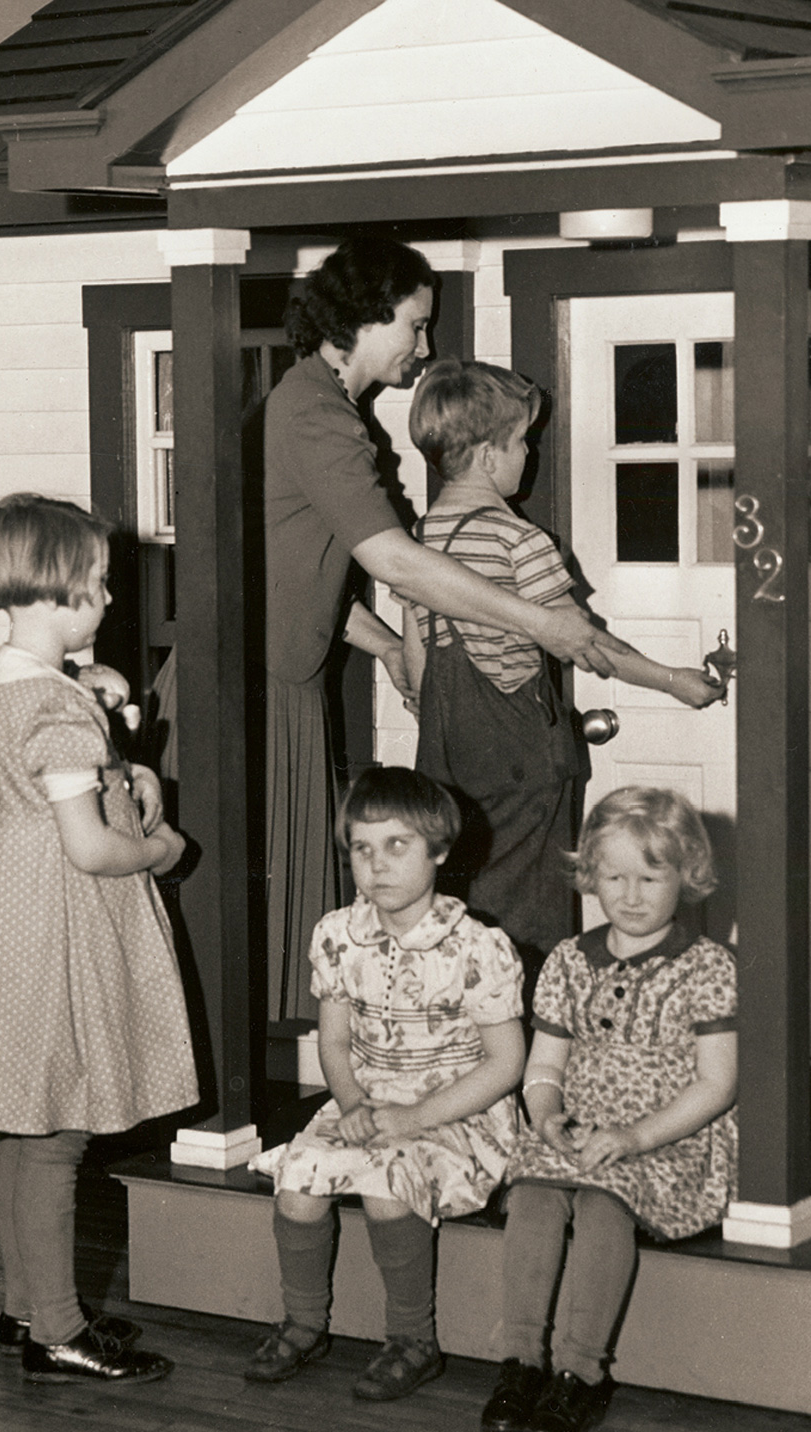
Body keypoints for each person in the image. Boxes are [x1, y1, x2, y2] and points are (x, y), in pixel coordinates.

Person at [259, 238, 626, 1022]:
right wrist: (541, 624)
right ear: (363, 317)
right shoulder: (313, 414)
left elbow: (294, 574)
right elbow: (392, 560)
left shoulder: (327, 409)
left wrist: (388, 646)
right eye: (415, 327)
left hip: (290, 677)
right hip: (259, 686)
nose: (424, 349)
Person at [0, 493, 199, 1384]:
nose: (105, 600)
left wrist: (113, 737)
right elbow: (93, 847)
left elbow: (52, 738)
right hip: (64, 916)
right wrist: (162, 849)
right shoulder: (57, 715)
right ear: (56, 593)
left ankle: (26, 1309)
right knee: (59, 1132)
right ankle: (58, 1329)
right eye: (96, 587)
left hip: (18, 909)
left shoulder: (10, 676)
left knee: (27, 1123)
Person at [403, 361, 724, 976]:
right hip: (518, 753)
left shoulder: (420, 539)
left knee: (458, 913)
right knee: (528, 920)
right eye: (523, 441)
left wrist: (434, 719)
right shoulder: (519, 540)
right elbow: (585, 643)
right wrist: (672, 680)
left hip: (446, 753)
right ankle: (530, 1059)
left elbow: (418, 654)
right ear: (490, 454)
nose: (529, 454)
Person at [245, 767, 528, 1401]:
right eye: (361, 849)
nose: (377, 866)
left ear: (440, 850)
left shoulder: (477, 947)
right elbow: (336, 1042)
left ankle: (412, 1338)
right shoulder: (338, 937)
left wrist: (411, 1119)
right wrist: (349, 1105)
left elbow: (505, 1065)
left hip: (457, 1111)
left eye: (397, 846)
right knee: (298, 1180)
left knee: (386, 1185)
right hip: (365, 1103)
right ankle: (303, 1322)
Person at [482, 787, 738, 1432]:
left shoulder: (707, 967)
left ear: (686, 878)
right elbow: (544, 1067)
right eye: (613, 876)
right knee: (534, 1192)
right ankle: (519, 1363)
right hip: (580, 1128)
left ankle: (580, 1372)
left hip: (663, 1140)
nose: (629, 894)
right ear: (590, 876)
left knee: (601, 1203)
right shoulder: (569, 960)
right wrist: (546, 1117)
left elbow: (717, 1083)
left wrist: (634, 1137)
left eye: (650, 877)